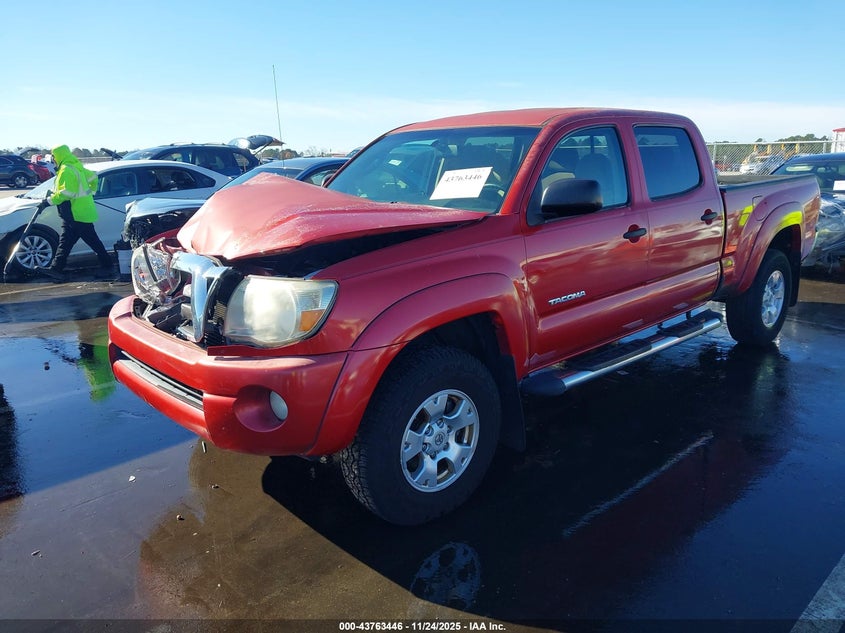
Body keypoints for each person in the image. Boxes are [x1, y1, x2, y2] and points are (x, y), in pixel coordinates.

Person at [34, 145, 114, 281]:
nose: (52, 160)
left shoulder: (66, 170)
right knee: (69, 242)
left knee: (83, 241)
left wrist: (48, 201)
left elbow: (65, 194)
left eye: (53, 157)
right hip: (80, 212)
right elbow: (94, 177)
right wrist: (91, 193)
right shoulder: (76, 166)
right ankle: (56, 268)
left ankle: (108, 266)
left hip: (74, 213)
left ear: (57, 156)